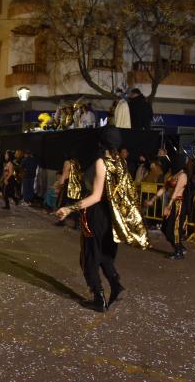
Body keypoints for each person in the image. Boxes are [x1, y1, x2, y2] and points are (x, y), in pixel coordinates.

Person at [57, 126, 150, 312]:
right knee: (105, 254)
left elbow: (96, 197)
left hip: (96, 214)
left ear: (101, 142)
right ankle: (116, 286)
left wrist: (70, 208)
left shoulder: (101, 162)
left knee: (90, 255)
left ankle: (99, 298)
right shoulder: (120, 162)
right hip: (112, 217)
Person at [146, 154, 188, 259]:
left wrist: (169, 206)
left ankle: (178, 252)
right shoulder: (172, 175)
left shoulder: (182, 175)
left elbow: (176, 191)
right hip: (171, 203)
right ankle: (180, 247)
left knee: (174, 228)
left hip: (178, 203)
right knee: (165, 227)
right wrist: (152, 200)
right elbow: (163, 189)